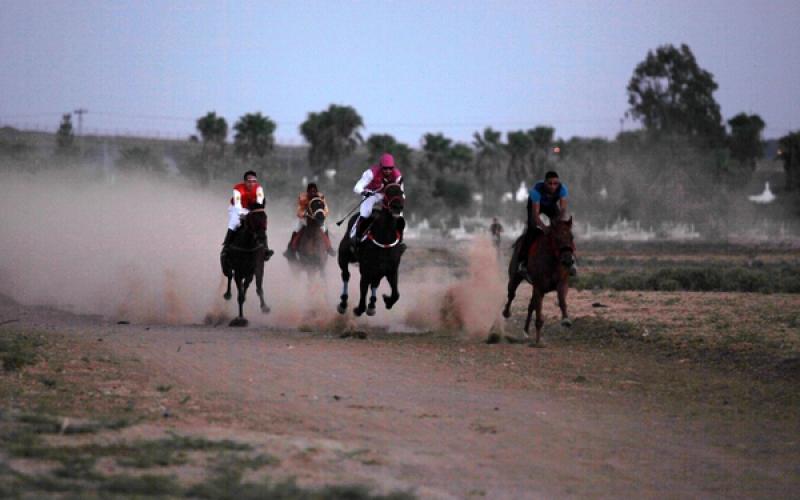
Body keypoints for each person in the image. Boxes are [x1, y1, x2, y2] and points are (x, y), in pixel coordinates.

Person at [515, 171, 575, 275]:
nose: (553, 186)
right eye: (550, 183)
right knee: (532, 229)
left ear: (558, 183)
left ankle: (571, 261)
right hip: (535, 206)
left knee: (563, 231)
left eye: (555, 183)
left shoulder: (562, 189)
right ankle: (522, 262)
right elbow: (536, 215)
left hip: (550, 206)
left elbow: (563, 209)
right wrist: (544, 228)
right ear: (545, 183)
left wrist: (558, 224)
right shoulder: (536, 191)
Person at [349, 152, 405, 249]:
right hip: (372, 194)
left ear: (393, 167)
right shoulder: (371, 173)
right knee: (366, 213)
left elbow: (401, 193)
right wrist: (364, 192)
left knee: (399, 216)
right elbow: (357, 187)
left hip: (387, 196)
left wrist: (399, 202)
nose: (388, 171)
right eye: (385, 168)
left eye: (390, 168)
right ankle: (356, 235)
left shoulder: (398, 176)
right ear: (381, 166)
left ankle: (399, 241)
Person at [221, 170, 274, 261]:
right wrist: (243, 215)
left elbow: (260, 201)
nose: (251, 184)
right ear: (245, 182)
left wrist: (256, 212)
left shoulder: (259, 189)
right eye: (249, 182)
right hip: (236, 208)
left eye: (254, 181)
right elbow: (237, 205)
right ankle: (226, 246)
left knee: (260, 224)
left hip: (251, 209)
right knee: (234, 222)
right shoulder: (237, 189)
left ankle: (265, 248)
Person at [284, 182, 336, 259]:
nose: (313, 193)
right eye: (311, 191)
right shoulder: (302, 198)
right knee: (296, 229)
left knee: (325, 229)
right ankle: (291, 249)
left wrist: (322, 215)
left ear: (316, 191)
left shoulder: (320, 197)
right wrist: (304, 214)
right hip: (305, 219)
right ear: (307, 192)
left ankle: (329, 248)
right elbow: (299, 210)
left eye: (314, 191)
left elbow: (325, 209)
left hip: (317, 219)